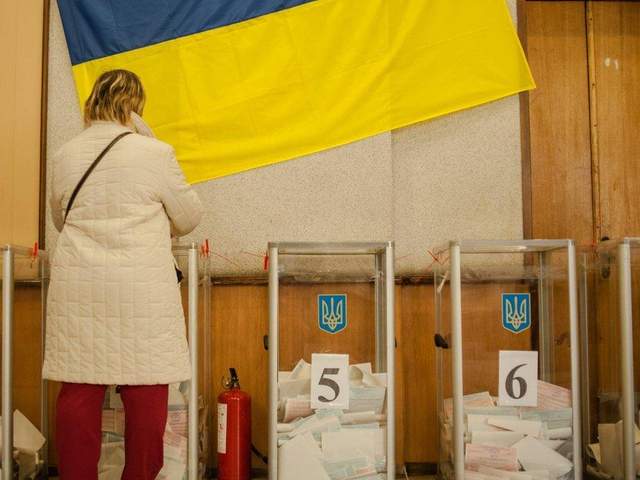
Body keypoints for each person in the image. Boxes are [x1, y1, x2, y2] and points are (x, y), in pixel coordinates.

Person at [43, 69, 202, 479]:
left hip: (80, 287)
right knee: (146, 388)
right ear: (136, 106)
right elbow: (189, 218)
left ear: (91, 103)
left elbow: (61, 220)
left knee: (79, 387)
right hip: (141, 289)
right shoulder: (154, 153)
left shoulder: (65, 155)